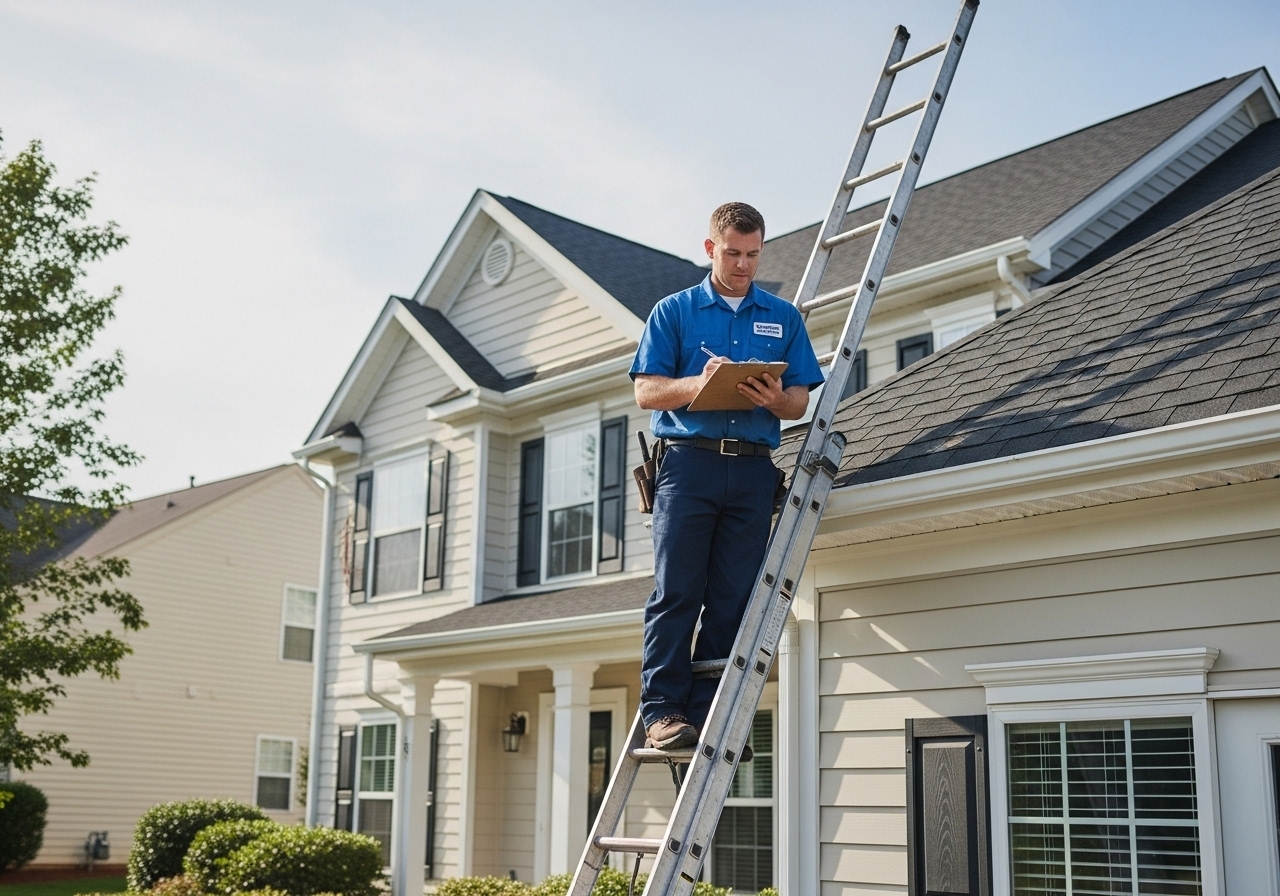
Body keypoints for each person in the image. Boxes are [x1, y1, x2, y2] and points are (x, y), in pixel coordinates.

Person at [630, 202, 824, 750]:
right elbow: (646, 391)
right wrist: (698, 384)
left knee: (734, 595)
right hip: (688, 464)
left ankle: (706, 710)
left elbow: (798, 401)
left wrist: (776, 398)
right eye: (734, 253)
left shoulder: (783, 317)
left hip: (753, 470)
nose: (743, 265)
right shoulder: (674, 311)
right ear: (711, 248)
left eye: (754, 255)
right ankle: (664, 711)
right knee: (677, 591)